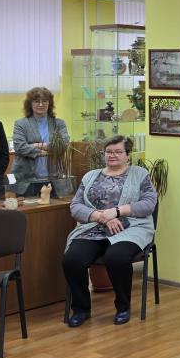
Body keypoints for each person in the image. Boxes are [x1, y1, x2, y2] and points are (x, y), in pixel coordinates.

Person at [64, 135, 157, 328]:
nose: (112, 155)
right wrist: (100, 216)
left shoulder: (140, 174)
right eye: (108, 152)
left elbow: (149, 204)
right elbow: (76, 206)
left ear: (128, 155)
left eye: (118, 152)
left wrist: (117, 211)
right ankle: (81, 309)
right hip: (93, 228)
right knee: (72, 259)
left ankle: (123, 307)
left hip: (130, 228)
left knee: (116, 257)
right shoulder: (90, 176)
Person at [11, 87, 69, 184]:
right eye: (37, 101)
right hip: (25, 178)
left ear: (49, 103)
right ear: (30, 104)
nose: (41, 104)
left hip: (53, 176)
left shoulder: (59, 123)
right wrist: (48, 151)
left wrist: (35, 145)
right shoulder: (20, 124)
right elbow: (20, 148)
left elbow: (63, 145)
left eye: (44, 101)